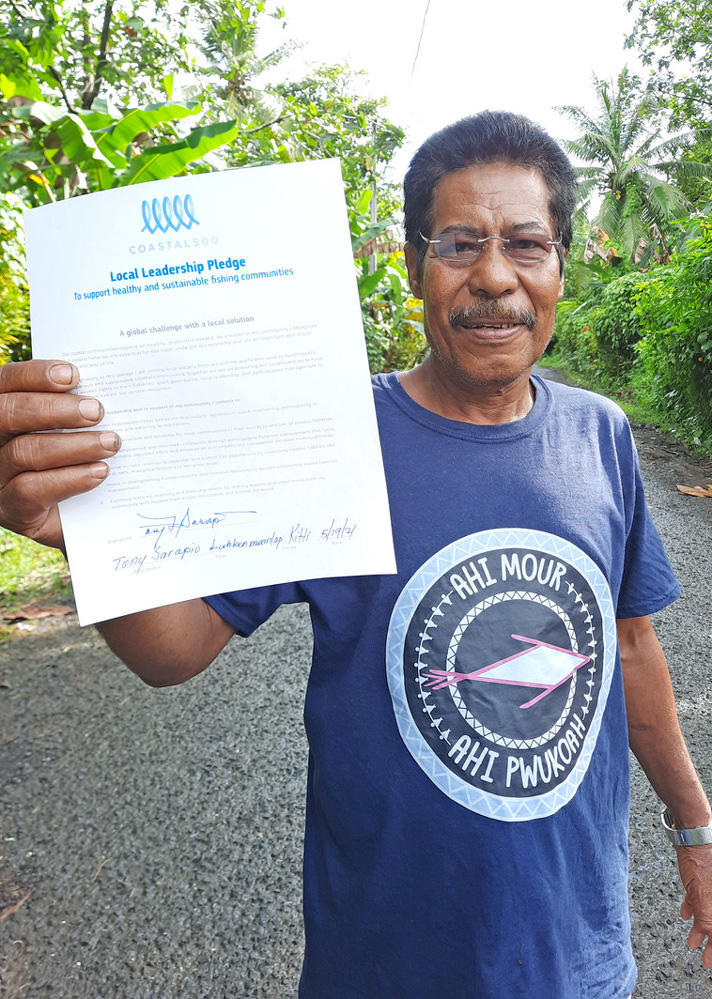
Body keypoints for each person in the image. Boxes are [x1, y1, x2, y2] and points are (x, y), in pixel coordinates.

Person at [1, 110, 711, 999]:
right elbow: (171, 651)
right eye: (459, 244)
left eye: (526, 244)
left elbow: (633, 648)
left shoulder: (601, 434)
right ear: (414, 267)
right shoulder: (333, 434)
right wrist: (90, 530)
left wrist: (694, 822)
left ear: (562, 262)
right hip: (383, 966)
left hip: (578, 958)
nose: (496, 275)